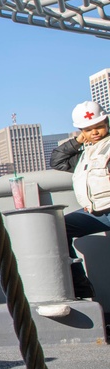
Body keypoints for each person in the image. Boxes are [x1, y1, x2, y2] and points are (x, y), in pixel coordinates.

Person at [56, 101, 110, 298]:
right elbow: (57, 160)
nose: (94, 132)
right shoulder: (84, 155)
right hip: (99, 212)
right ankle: (81, 286)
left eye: (98, 127)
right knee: (59, 228)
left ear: (107, 123)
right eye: (88, 129)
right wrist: (78, 141)